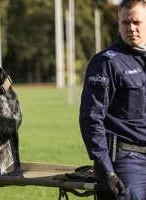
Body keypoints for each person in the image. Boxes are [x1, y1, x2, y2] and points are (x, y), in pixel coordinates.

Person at [79, 0, 146, 199]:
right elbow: (91, 119)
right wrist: (106, 170)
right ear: (118, 24)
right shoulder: (107, 63)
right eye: (125, 23)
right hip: (126, 161)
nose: (131, 28)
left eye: (137, 22)